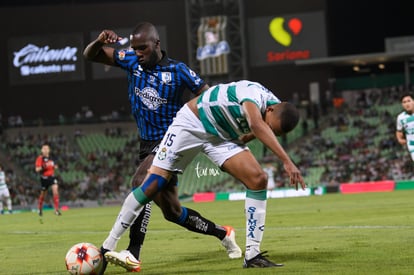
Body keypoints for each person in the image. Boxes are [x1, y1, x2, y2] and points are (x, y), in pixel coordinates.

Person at [83, 22, 241, 274]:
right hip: (146, 145)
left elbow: (208, 96)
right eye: (134, 48)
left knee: (139, 182)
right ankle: (223, 233)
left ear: (157, 44)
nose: (138, 52)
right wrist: (100, 41)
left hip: (173, 140)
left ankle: (131, 252)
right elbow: (90, 55)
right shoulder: (130, 60)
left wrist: (220, 128)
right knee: (172, 212)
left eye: (143, 47)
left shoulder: (179, 71)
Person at [102, 80, 306, 269]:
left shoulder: (277, 110)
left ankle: (252, 255)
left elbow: (256, 129)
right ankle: (107, 247)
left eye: (274, 132)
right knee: (153, 183)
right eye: (270, 127)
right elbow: (256, 124)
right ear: (269, 109)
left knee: (258, 179)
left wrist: (239, 145)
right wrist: (287, 161)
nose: (270, 130)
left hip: (221, 136)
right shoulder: (253, 94)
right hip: (191, 123)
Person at [35, 143, 61, 216]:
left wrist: (55, 167)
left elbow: (55, 166)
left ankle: (56, 210)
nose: (46, 150)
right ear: (41, 150)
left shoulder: (52, 158)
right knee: (43, 194)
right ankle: (40, 208)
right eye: (44, 149)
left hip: (51, 177)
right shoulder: (40, 158)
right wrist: (43, 166)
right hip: (44, 178)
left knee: (55, 190)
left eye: (47, 149)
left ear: (49, 150)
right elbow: (37, 169)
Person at [396, 92, 414, 161]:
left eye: (409, 101)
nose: (407, 104)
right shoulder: (401, 117)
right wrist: (400, 139)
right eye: (404, 102)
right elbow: (399, 131)